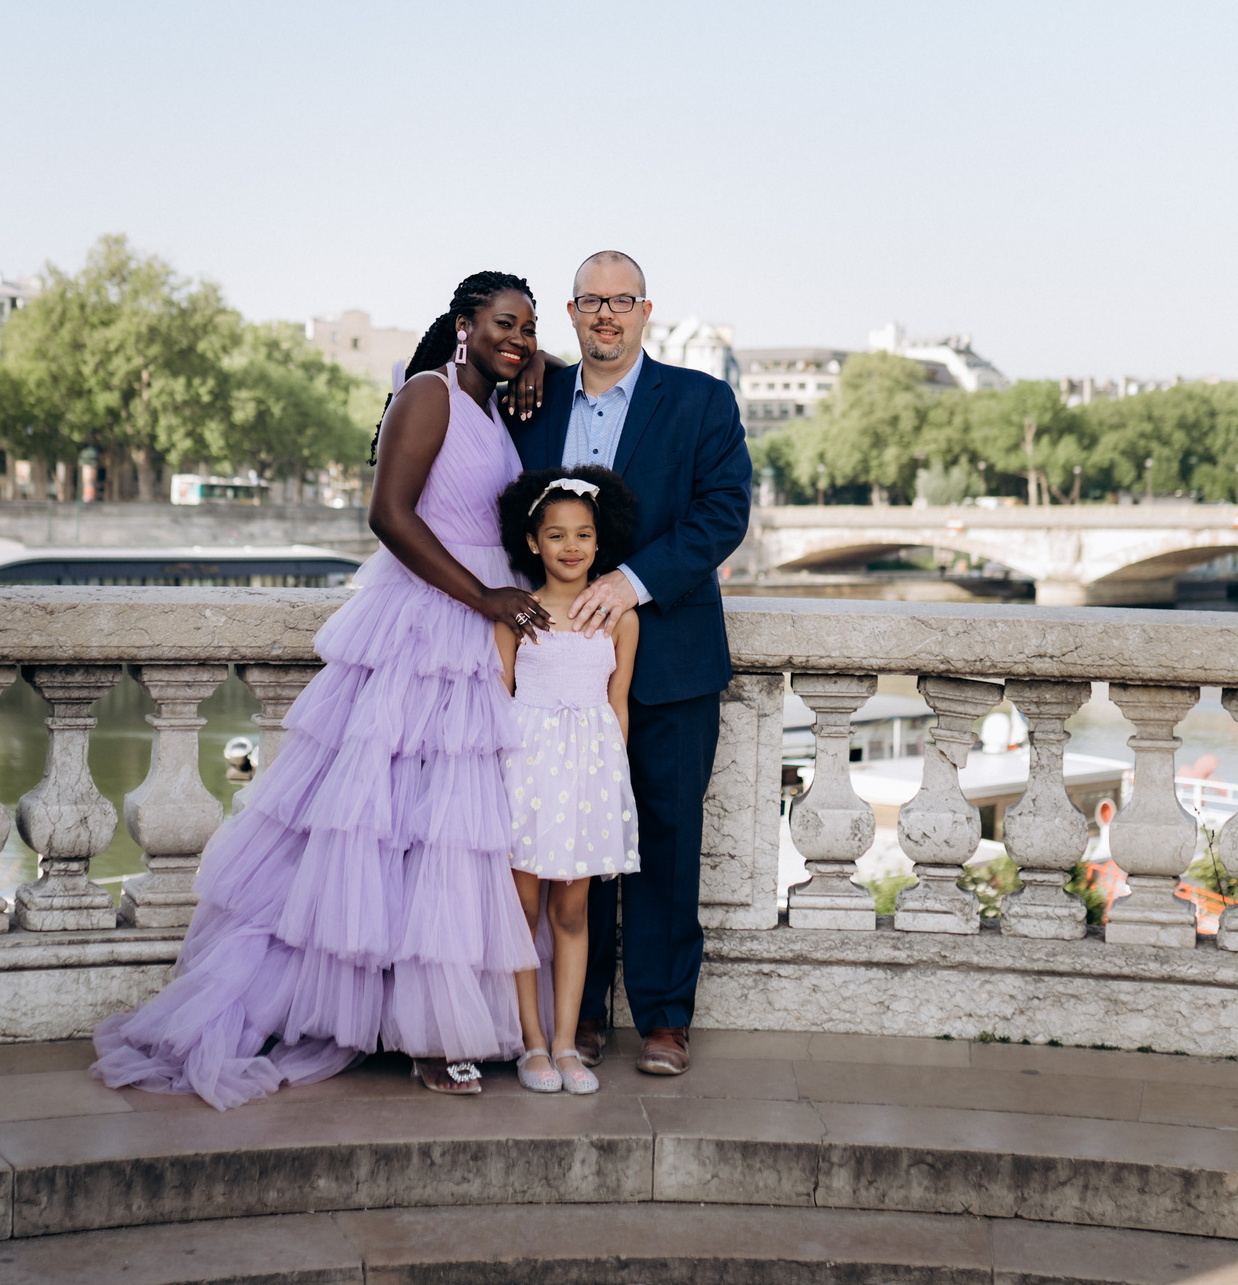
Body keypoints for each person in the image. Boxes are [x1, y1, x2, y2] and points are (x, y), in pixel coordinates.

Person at [93, 272, 548, 1106]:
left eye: (529, 327)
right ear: (463, 324)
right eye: (504, 324)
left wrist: (536, 360)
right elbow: (389, 514)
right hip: (430, 621)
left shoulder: (493, 408)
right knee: (396, 828)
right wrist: (484, 596)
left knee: (449, 833)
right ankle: (427, 1034)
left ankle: (427, 1016)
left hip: (484, 634)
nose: (518, 339)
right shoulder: (428, 393)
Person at [506, 251, 751, 1079]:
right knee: (568, 839)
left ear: (647, 311)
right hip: (557, 673)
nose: (606, 314)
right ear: (572, 313)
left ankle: (664, 1018)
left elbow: (724, 511)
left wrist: (632, 581)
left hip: (672, 656)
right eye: (590, 300)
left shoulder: (701, 400)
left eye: (621, 300)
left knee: (668, 838)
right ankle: (576, 1016)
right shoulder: (531, 402)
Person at [494, 466, 641, 1096]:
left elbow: (618, 704)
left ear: (599, 541)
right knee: (523, 908)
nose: (571, 546)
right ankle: (531, 1042)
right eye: (556, 535)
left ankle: (565, 1043)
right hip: (525, 770)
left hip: (588, 776)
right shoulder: (517, 614)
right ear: (533, 542)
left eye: (583, 534)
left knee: (572, 909)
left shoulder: (618, 618)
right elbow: (500, 697)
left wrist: (612, 784)